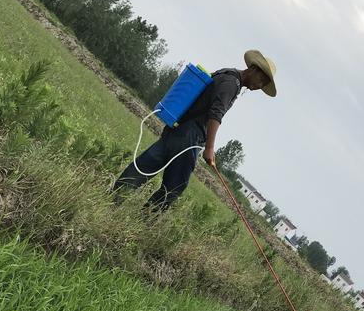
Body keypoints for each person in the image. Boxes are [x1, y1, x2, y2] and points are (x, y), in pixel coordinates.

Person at [111, 49, 277, 212]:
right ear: (254, 69)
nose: (259, 87)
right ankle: (144, 218)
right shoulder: (231, 84)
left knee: (147, 164)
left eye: (263, 85)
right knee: (174, 186)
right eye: (261, 81)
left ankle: (113, 197)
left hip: (178, 127)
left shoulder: (225, 73)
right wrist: (210, 148)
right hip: (190, 136)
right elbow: (216, 113)